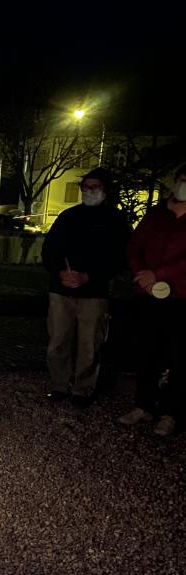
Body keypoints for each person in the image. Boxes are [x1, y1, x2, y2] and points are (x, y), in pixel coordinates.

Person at [41, 168, 129, 406]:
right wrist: (59, 271)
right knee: (57, 341)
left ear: (105, 190)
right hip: (61, 290)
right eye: (85, 187)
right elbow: (49, 250)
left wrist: (89, 277)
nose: (89, 192)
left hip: (94, 293)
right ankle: (59, 385)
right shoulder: (67, 217)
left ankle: (82, 389)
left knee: (89, 343)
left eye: (94, 187)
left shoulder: (116, 221)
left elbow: (118, 258)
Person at [118, 163, 186, 436]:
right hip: (147, 294)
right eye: (181, 179)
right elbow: (135, 246)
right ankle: (143, 405)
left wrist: (159, 273)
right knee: (146, 351)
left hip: (181, 297)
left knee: (179, 356)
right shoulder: (156, 215)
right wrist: (141, 274)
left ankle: (171, 411)